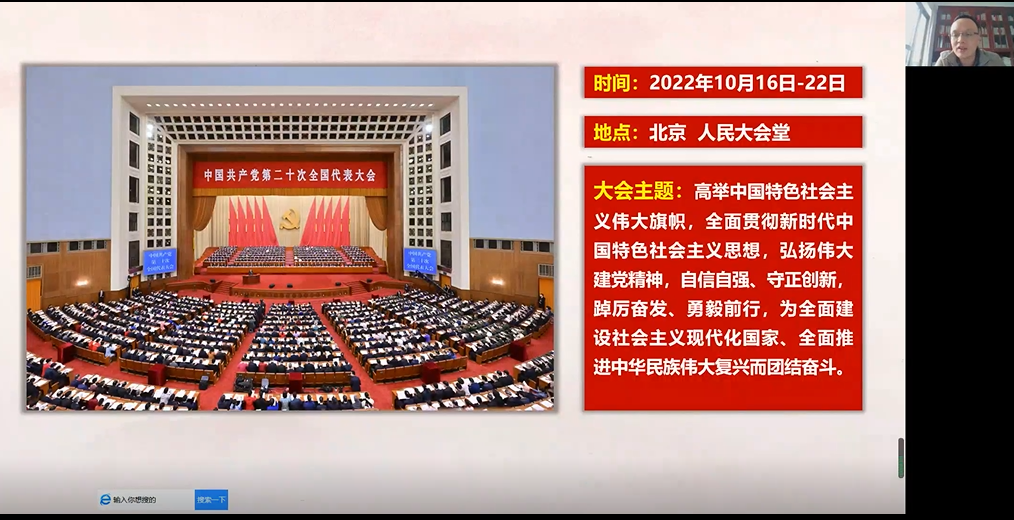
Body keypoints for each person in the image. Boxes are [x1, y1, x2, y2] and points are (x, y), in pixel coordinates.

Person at [935, 14, 1007, 67]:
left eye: (968, 34)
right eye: (955, 34)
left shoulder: (994, 60)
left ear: (978, 38)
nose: (960, 40)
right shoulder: (944, 61)